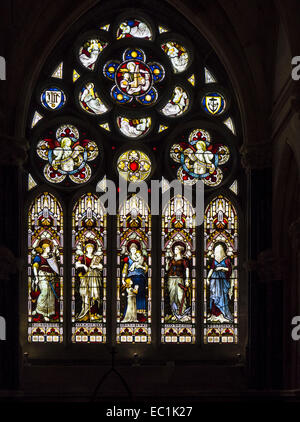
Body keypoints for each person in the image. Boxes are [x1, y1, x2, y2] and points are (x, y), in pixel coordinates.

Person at [31, 239, 60, 322]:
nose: (49, 249)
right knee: (45, 292)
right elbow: (35, 267)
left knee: (50, 295)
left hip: (51, 277)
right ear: (43, 248)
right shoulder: (38, 257)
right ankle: (39, 311)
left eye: (49, 248)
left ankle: (48, 313)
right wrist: (36, 278)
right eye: (47, 248)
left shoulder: (51, 258)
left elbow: (55, 268)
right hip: (42, 276)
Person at [75, 241, 103, 321]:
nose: (90, 249)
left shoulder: (96, 257)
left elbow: (101, 267)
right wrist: (83, 265)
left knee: (95, 295)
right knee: (86, 296)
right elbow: (77, 265)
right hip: (86, 279)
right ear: (86, 249)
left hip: (95, 278)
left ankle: (94, 314)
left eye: (91, 248)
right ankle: (86, 314)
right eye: (88, 248)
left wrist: (96, 266)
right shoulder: (82, 257)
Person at [207, 243, 234, 323]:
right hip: (214, 282)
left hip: (222, 281)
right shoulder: (215, 260)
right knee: (214, 297)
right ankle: (215, 314)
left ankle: (222, 314)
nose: (217, 252)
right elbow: (211, 269)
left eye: (219, 250)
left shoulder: (226, 260)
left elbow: (229, 269)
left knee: (222, 297)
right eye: (216, 250)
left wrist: (221, 268)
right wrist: (208, 278)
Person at [122, 242, 148, 321]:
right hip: (131, 279)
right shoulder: (128, 259)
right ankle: (129, 314)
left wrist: (143, 268)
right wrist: (123, 279)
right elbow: (125, 269)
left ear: (137, 250)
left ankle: (140, 315)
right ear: (130, 250)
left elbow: (146, 268)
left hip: (140, 278)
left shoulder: (141, 258)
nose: (133, 250)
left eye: (135, 249)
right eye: (132, 249)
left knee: (140, 295)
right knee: (131, 296)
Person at [166, 243, 191, 321]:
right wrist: (167, 263)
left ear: (180, 250)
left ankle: (182, 313)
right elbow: (167, 269)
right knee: (172, 297)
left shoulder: (184, 260)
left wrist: (187, 279)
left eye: (176, 249)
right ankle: (174, 314)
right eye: (174, 249)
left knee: (180, 296)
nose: (174, 250)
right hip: (171, 279)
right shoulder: (172, 260)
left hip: (180, 279)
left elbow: (187, 269)